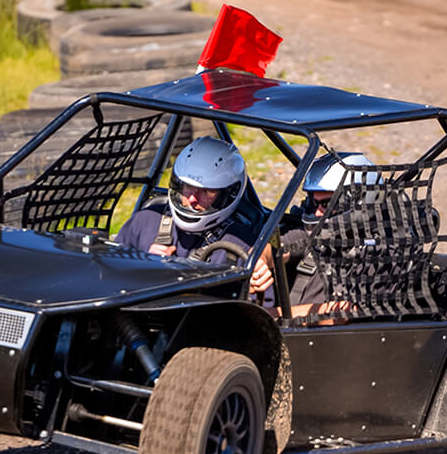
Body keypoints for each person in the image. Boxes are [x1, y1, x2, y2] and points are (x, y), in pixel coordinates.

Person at [249, 152, 377, 318]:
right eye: (313, 202)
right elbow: (274, 247)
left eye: (327, 204)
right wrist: (259, 260)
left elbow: (346, 312)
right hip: (291, 334)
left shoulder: (382, 247)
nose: (317, 212)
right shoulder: (313, 234)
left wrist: (270, 316)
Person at [116, 136, 259, 265]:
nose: (192, 198)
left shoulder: (240, 245)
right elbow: (110, 272)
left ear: (228, 194)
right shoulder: (145, 221)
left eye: (207, 192)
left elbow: (257, 293)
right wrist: (141, 262)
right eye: (188, 187)